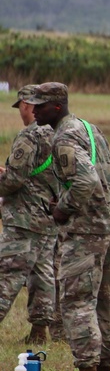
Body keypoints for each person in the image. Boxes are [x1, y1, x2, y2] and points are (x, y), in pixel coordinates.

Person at [25, 82, 110, 371]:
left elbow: (86, 179)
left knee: (75, 301)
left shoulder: (64, 137)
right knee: (106, 302)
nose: (34, 110)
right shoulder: (88, 128)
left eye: (40, 105)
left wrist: (62, 210)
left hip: (86, 230)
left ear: (57, 107)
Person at [0, 85, 59, 344]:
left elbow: (14, 180)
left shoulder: (29, 136)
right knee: (42, 273)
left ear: (26, 104)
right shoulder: (59, 133)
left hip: (24, 217)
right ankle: (39, 332)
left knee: (7, 272)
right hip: (50, 217)